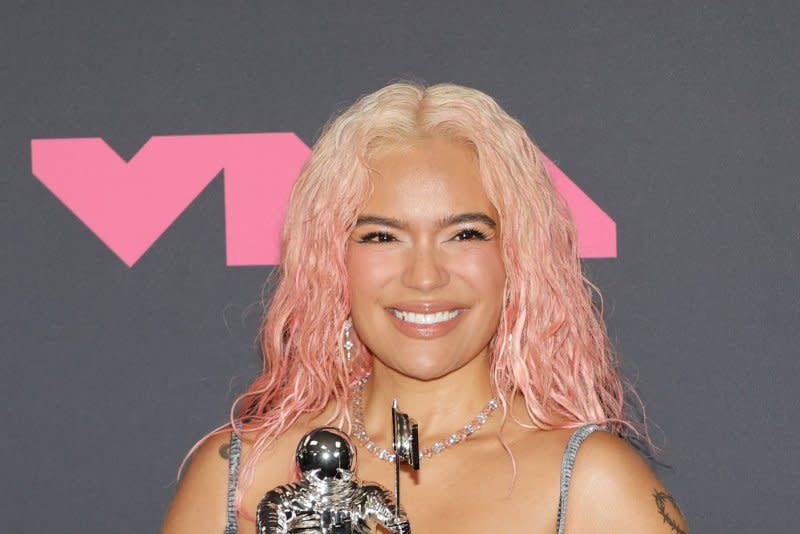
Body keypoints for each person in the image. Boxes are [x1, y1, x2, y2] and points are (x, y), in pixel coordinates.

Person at [162, 81, 689, 533]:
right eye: (381, 237)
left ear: (518, 257)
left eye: (464, 233)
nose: (425, 277)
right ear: (330, 261)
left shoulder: (592, 487)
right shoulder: (235, 478)